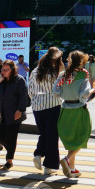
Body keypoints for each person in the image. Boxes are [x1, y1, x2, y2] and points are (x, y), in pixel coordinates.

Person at [54, 50, 95, 179]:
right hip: (78, 109)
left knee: (71, 139)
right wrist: (92, 90)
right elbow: (83, 94)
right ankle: (67, 159)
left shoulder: (64, 74)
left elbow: (55, 91)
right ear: (82, 61)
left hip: (65, 109)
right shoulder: (83, 74)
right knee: (83, 136)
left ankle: (71, 169)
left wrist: (64, 95)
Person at [28, 47, 65, 175]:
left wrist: (36, 100)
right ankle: (49, 166)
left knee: (44, 133)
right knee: (52, 135)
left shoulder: (35, 71)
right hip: (52, 105)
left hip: (37, 106)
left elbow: (30, 90)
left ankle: (38, 154)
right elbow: (60, 89)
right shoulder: (57, 72)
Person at [0, 60, 29, 171]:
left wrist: (20, 110)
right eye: (2, 70)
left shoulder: (19, 80)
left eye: (6, 70)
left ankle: (9, 160)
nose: (3, 72)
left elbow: (23, 97)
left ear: (12, 70)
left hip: (14, 114)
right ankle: (10, 149)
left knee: (11, 136)